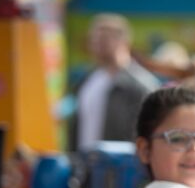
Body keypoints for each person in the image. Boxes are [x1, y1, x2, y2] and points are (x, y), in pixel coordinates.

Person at [68, 13, 159, 151]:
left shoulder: (141, 84)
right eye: (94, 40)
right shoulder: (88, 79)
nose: (97, 45)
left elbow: (146, 133)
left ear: (123, 41)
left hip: (119, 168)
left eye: (103, 39)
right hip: (85, 165)